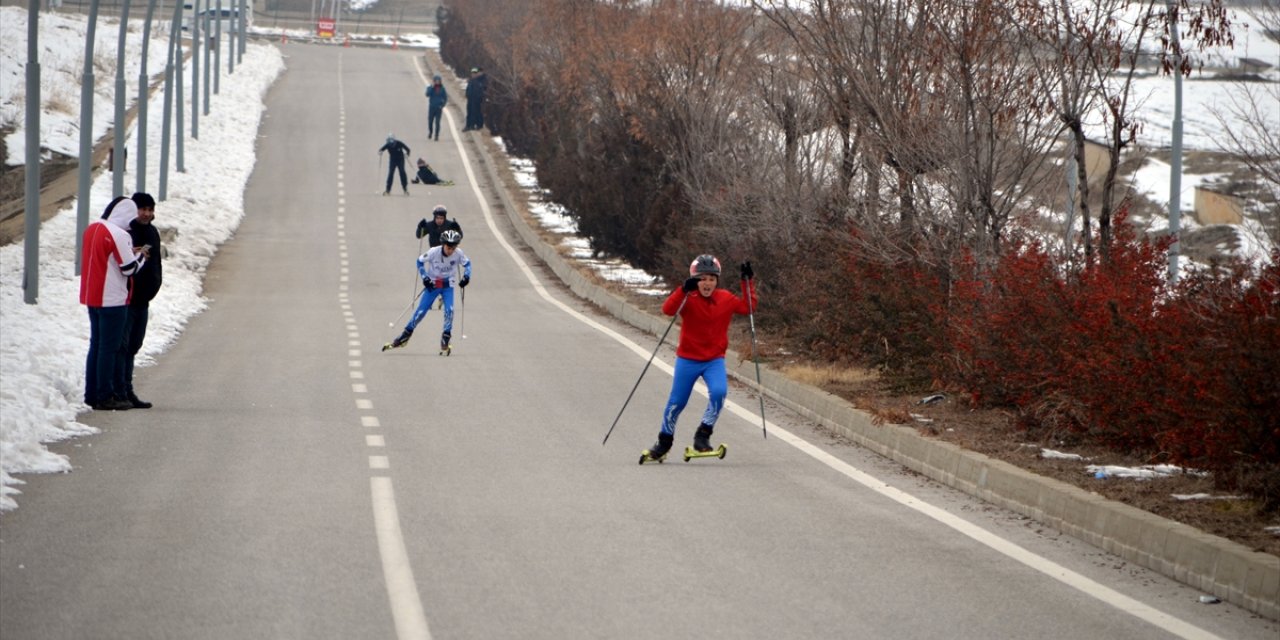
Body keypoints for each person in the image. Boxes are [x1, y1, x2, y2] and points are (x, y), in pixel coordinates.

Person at [644, 255, 757, 460]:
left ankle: (703, 435)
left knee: (719, 392)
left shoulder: (725, 299)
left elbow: (747, 307)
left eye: (712, 279)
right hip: (687, 360)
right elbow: (668, 310)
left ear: (717, 281)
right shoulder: (689, 298)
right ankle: (664, 443)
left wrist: (747, 281)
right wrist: (683, 290)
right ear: (695, 279)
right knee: (677, 403)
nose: (707, 283)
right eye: (702, 278)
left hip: (713, 360)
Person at [81, 197, 149, 411]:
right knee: (109, 348)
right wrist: (142, 257)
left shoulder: (92, 229)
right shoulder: (120, 235)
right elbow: (129, 269)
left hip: (92, 295)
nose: (132, 223)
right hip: (112, 299)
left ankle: (91, 393)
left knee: (96, 345)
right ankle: (105, 395)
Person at [384, 229, 472, 354]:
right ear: (443, 244)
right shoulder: (433, 252)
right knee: (421, 312)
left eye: (453, 247)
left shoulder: (458, 253)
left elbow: (467, 264)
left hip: (448, 285)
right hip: (433, 285)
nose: (450, 250)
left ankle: (446, 336)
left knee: (450, 310)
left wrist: (467, 276)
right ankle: (405, 335)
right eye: (448, 247)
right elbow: (419, 261)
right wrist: (424, 277)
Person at [121, 192, 163, 409]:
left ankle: (127, 390)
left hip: (143, 301)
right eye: (142, 209)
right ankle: (121, 390)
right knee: (124, 346)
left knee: (134, 345)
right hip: (127, 300)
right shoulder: (126, 232)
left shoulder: (152, 232)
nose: (147, 213)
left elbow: (154, 263)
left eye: (150, 209)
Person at [463, 67, 488, 131]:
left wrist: (479, 97)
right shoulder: (471, 81)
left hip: (477, 99)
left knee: (477, 112)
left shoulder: (479, 81)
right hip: (470, 99)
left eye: (475, 73)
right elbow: (468, 89)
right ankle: (468, 125)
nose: (473, 74)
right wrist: (467, 94)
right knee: (469, 112)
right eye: (472, 73)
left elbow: (482, 89)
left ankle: (475, 125)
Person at [425, 74, 447, 141]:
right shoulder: (430, 87)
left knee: (437, 122)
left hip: (438, 108)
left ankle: (436, 135)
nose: (437, 82)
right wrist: (432, 87)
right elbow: (427, 94)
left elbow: (445, 98)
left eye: (439, 81)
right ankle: (430, 132)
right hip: (432, 107)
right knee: (430, 122)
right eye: (436, 81)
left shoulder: (442, 89)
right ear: (434, 81)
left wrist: (442, 105)